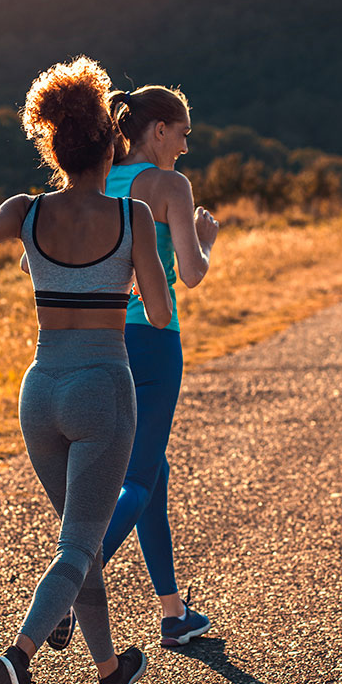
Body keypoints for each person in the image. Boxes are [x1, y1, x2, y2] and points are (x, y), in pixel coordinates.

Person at [0, 57, 172, 684]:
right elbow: (160, 315)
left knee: (75, 546)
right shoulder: (131, 216)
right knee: (79, 543)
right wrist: (131, 286)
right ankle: (16, 659)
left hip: (39, 390)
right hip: (103, 388)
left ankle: (110, 671)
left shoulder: (27, 211)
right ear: (110, 147)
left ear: (58, 148)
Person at [44, 85, 218, 654]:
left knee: (154, 475)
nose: (185, 147)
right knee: (137, 480)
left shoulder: (98, 179)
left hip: (98, 342)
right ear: (159, 130)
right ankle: (68, 590)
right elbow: (189, 274)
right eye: (183, 134)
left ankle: (173, 613)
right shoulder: (170, 186)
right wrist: (208, 239)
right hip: (155, 343)